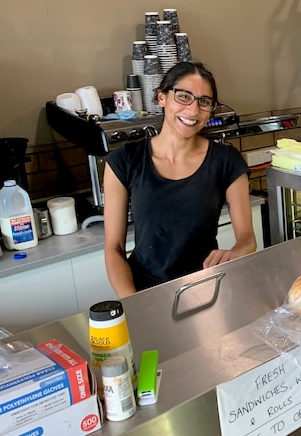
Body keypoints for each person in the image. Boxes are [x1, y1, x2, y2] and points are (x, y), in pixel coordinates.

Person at [103, 61, 257, 298]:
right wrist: (133, 302)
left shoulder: (227, 161)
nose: (193, 111)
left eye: (204, 102)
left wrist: (235, 253)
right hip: (143, 292)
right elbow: (114, 248)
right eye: (184, 96)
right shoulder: (124, 160)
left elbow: (247, 239)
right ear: (161, 97)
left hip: (206, 290)